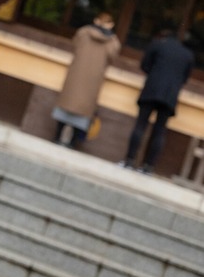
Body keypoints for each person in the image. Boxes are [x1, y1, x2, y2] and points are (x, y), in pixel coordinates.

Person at [121, 29, 195, 173]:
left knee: (140, 125)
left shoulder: (157, 45)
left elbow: (144, 65)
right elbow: (185, 79)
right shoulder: (188, 55)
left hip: (152, 88)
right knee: (160, 131)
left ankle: (129, 161)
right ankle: (148, 167)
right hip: (170, 95)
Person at [52, 12, 120, 149]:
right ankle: (72, 142)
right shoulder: (112, 42)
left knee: (67, 104)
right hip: (94, 80)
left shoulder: (83, 32)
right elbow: (113, 57)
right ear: (111, 25)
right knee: (84, 112)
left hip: (76, 74)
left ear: (96, 20)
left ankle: (57, 136)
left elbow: (75, 44)